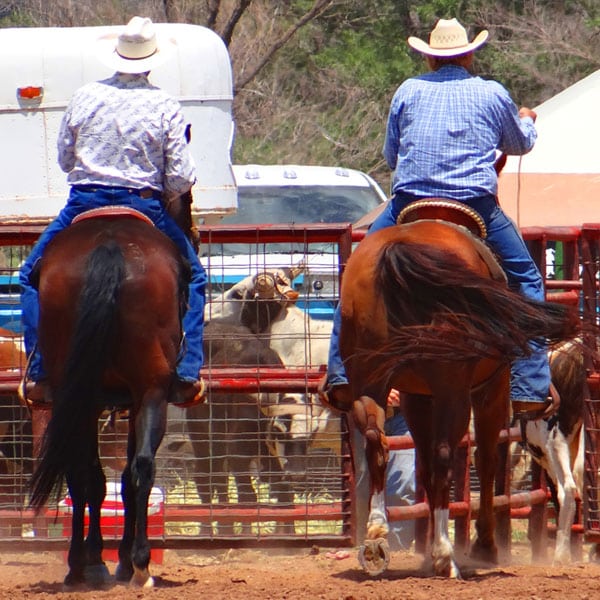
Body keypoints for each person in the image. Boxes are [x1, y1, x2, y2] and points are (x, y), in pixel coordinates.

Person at [320, 17, 555, 422]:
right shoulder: (491, 92)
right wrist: (528, 120)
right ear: (468, 55)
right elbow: (519, 144)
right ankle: (529, 386)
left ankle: (341, 375)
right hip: (472, 204)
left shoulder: (408, 91)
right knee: (528, 280)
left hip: (409, 202)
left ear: (429, 57)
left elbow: (392, 156)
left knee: (357, 273)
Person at [19, 16, 206, 406]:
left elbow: (66, 157)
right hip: (143, 205)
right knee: (196, 277)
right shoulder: (164, 104)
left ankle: (39, 371)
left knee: (27, 277)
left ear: (117, 56)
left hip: (84, 202)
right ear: (152, 61)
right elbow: (179, 177)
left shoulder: (85, 96)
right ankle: (187, 371)